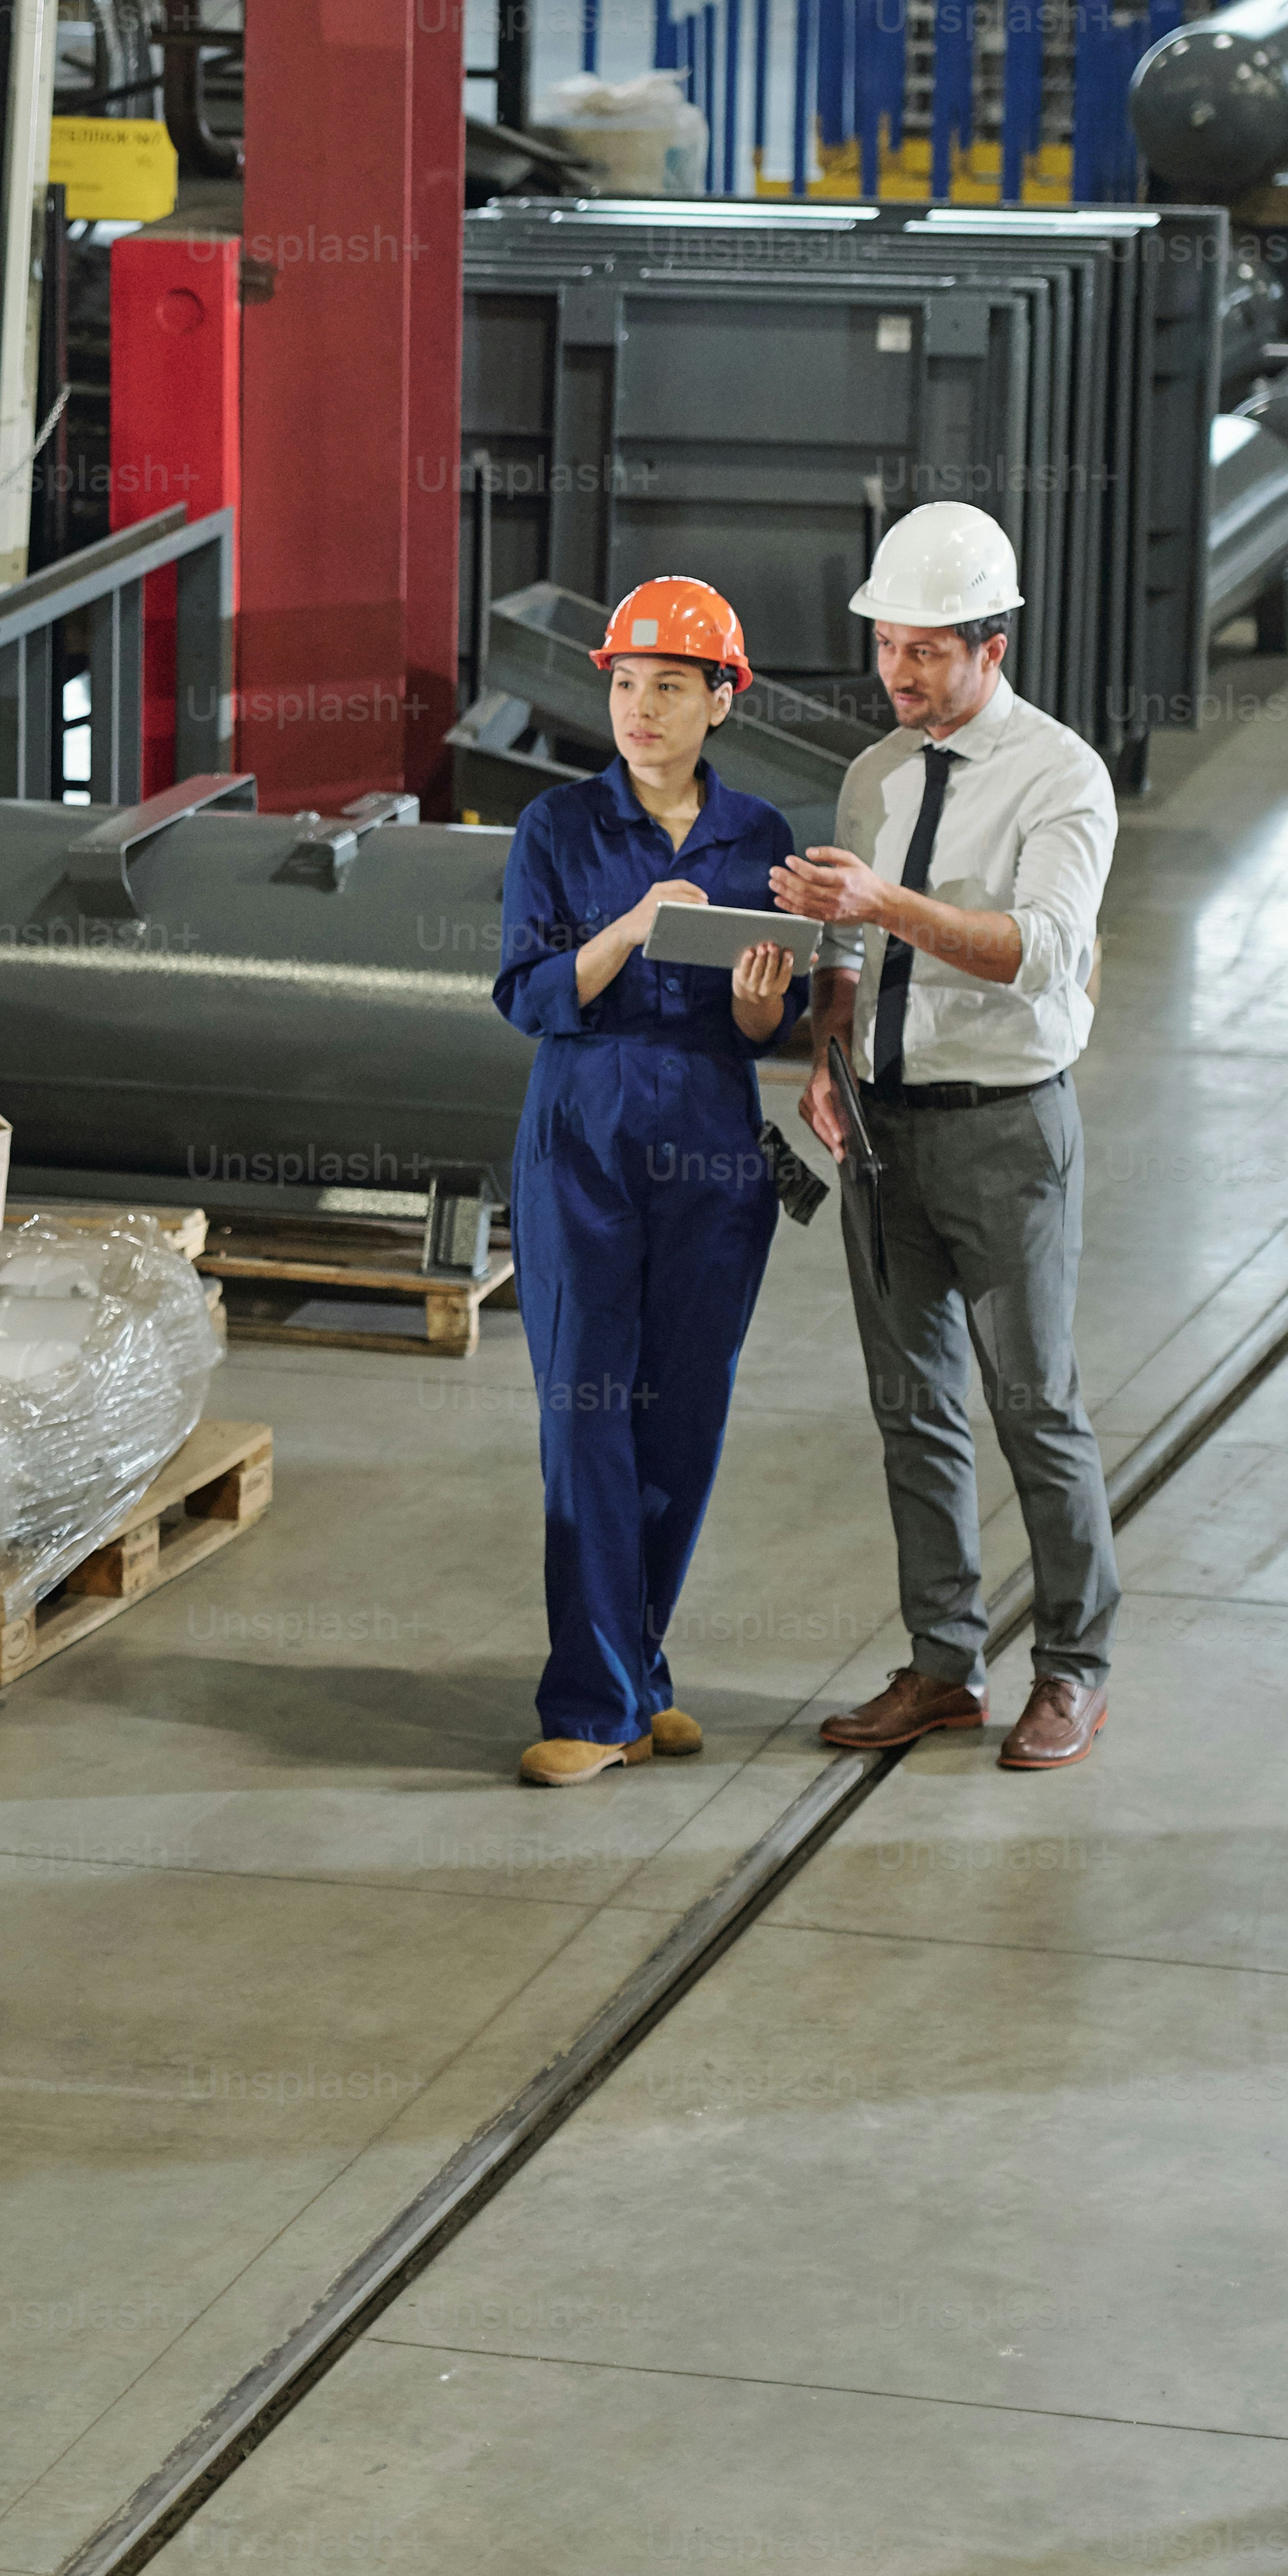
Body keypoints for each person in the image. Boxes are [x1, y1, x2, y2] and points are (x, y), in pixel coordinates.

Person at [768, 501, 1121, 1773]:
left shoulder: (1060, 779)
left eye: (925, 651)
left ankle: (1074, 1669)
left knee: (1035, 1404)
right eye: (885, 647)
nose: (898, 675)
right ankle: (942, 1664)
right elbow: (850, 951)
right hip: (886, 1132)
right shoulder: (876, 778)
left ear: (994, 648)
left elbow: (1043, 954)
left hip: (1005, 1133)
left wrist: (886, 901)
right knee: (913, 1407)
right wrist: (825, 1047)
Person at [489, 575, 805, 1788]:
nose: (641, 709)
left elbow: (757, 1030)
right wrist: (627, 929)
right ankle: (590, 1702)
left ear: (723, 700)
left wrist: (762, 1008)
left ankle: (639, 1671)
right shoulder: (556, 831)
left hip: (715, 1148)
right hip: (586, 1138)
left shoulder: (761, 839)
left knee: (682, 1419)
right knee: (586, 1421)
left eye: (670, 687)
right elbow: (526, 996)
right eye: (626, 684)